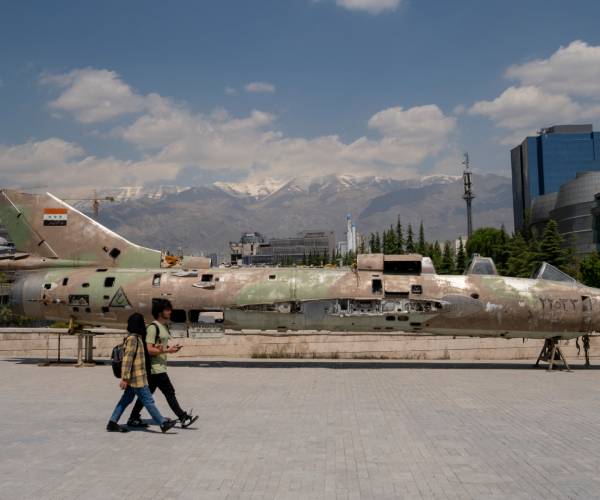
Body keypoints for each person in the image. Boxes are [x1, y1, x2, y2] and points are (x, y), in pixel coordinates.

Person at [127, 299, 198, 428]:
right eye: (167, 310)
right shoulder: (152, 328)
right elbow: (149, 349)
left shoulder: (164, 327)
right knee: (169, 392)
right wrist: (167, 350)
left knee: (146, 395)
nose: (170, 312)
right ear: (160, 312)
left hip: (159, 367)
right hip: (155, 368)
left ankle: (133, 418)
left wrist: (170, 348)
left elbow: (159, 346)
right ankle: (183, 417)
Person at [107, 312, 177, 433]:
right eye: (142, 321)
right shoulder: (133, 339)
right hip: (136, 378)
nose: (144, 324)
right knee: (148, 400)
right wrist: (125, 378)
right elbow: (128, 359)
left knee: (126, 399)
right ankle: (162, 423)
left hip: (136, 377)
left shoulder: (137, 338)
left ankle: (112, 423)